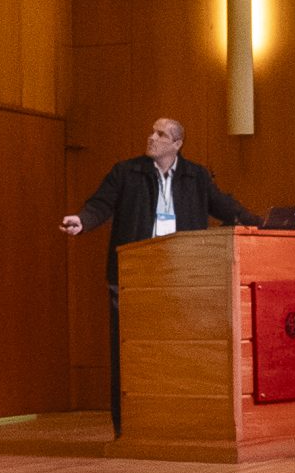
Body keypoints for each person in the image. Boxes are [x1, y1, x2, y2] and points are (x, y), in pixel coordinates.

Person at [60, 117, 256, 432]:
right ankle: (129, 428)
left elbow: (225, 207)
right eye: (151, 131)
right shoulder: (126, 172)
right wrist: (82, 220)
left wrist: (261, 224)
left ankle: (181, 422)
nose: (152, 137)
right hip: (133, 279)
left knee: (182, 350)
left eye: (161, 134)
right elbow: (100, 205)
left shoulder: (196, 177)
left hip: (183, 277)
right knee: (131, 352)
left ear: (177, 144)